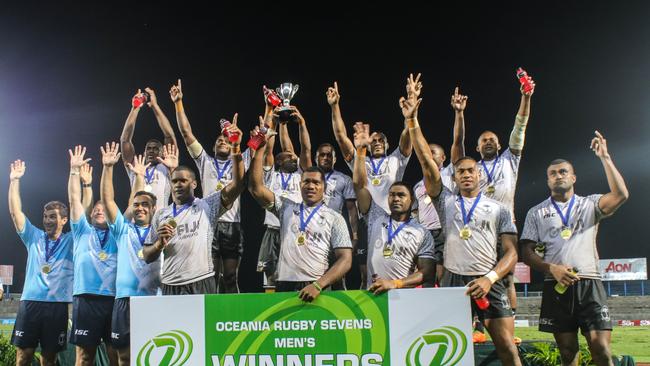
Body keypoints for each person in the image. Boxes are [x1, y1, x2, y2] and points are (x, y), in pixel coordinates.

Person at [521, 131, 628, 366]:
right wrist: (552, 269)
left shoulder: (590, 203)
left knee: (600, 348)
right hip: (556, 286)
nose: (558, 176)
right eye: (552, 173)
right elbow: (526, 253)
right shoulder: (535, 212)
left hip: (589, 282)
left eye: (563, 172)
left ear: (573, 177)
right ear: (548, 180)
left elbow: (620, 195)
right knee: (568, 353)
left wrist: (605, 158)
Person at [143, 102, 246, 295]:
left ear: (194, 184)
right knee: (173, 327)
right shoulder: (161, 215)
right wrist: (158, 244)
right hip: (170, 284)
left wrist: (236, 146)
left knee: (229, 278)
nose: (178, 184)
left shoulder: (208, 205)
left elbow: (238, 185)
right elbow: (147, 255)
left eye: (183, 181)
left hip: (200, 281)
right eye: (174, 181)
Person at [248, 123, 352, 301]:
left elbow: (345, 260)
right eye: (306, 182)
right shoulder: (286, 207)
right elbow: (256, 189)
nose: (310, 186)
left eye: (316, 183)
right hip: (284, 285)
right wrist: (260, 149)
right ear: (300, 185)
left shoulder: (335, 218)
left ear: (324, 187)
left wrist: (319, 284)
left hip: (317, 286)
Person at [462, 74, 536, 318]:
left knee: (507, 277)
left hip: (505, 225)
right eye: (484, 141)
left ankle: (510, 321)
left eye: (493, 139)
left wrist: (525, 97)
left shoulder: (509, 159)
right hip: (479, 227)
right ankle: (476, 325)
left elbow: (520, 126)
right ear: (477, 147)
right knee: (476, 272)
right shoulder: (473, 169)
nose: (489, 142)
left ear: (500, 143)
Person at [327, 80, 412, 287]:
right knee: (367, 274)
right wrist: (335, 106)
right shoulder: (360, 159)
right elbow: (340, 137)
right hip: (369, 217)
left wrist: (410, 116)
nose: (376, 143)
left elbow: (407, 136)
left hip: (395, 218)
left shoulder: (396, 159)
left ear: (387, 144)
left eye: (380, 140)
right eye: (373, 140)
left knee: (400, 269)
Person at [171, 78, 252, 293]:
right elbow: (187, 134)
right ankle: (211, 319)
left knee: (231, 277)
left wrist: (270, 109)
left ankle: (234, 317)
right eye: (219, 141)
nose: (222, 142)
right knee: (211, 275)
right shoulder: (204, 161)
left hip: (233, 223)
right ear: (213, 147)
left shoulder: (241, 157)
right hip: (208, 221)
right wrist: (178, 103)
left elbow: (264, 142)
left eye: (226, 140)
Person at [352, 121, 435, 294]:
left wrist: (395, 283)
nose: (395, 198)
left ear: (412, 201)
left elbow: (427, 272)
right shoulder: (376, 216)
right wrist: (360, 151)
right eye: (392, 195)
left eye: (401, 195)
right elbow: (360, 186)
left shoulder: (421, 232)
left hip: (404, 296)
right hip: (373, 295)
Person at [100, 142, 164, 365]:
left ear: (154, 208)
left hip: (153, 300)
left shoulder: (161, 230)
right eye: (136, 204)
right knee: (124, 357)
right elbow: (108, 201)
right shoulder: (122, 230)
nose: (140, 208)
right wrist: (108, 168)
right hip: (124, 301)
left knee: (154, 356)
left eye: (145, 204)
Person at [8, 159, 74, 366]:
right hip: (30, 303)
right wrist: (14, 181)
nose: (47, 220)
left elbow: (83, 208)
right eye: (45, 216)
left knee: (49, 358)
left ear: (64, 220)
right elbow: (15, 212)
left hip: (57, 306)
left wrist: (76, 173)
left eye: (53, 216)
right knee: (23, 356)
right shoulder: (33, 237)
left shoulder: (73, 240)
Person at [67, 146, 119, 365]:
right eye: (96, 209)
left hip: (114, 298)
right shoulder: (81, 230)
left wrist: (109, 168)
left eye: (104, 209)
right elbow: (74, 200)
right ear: (90, 214)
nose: (99, 211)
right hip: (86, 298)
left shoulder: (119, 232)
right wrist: (74, 171)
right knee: (84, 356)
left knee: (116, 355)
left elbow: (124, 203)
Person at [120, 87, 177, 208]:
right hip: (137, 221)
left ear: (162, 153)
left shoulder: (166, 166)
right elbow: (125, 140)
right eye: (148, 148)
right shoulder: (135, 166)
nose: (151, 150)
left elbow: (169, 135)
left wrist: (155, 107)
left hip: (159, 220)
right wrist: (135, 109)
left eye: (155, 148)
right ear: (144, 152)